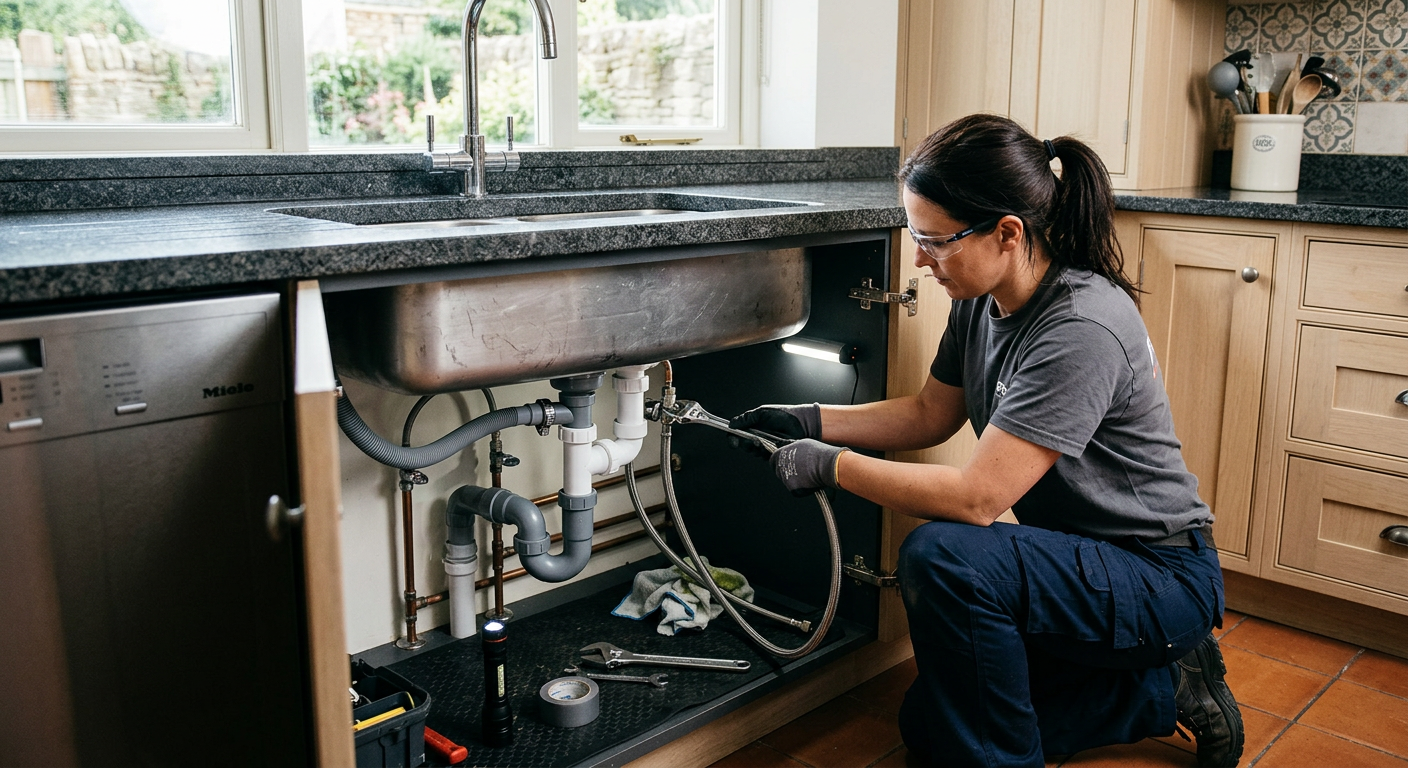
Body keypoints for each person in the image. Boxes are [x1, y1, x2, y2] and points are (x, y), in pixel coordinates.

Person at [730, 114, 1244, 768]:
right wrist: (807, 419)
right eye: (917, 236)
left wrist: (827, 465)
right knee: (929, 724)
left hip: (1158, 576)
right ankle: (1162, 688)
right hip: (1075, 560)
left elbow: (977, 499)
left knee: (944, 557)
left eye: (934, 240)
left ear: (1007, 233)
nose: (920, 258)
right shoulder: (981, 298)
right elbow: (926, 415)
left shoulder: (1081, 326)